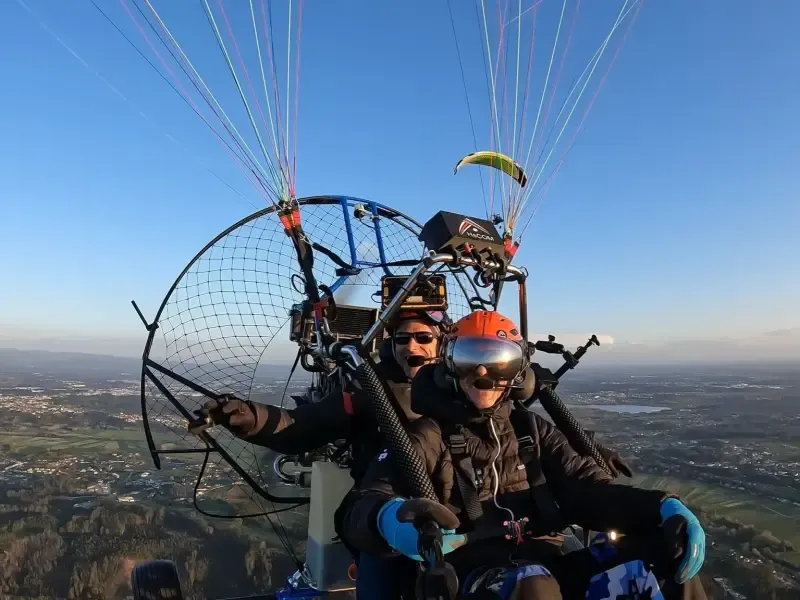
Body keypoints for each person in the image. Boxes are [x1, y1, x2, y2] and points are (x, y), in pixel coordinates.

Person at [335, 310, 708, 600]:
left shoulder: (531, 429)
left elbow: (586, 487)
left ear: (517, 371)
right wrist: (388, 519)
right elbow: (361, 505)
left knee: (668, 556)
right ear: (448, 368)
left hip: (550, 567)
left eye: (499, 361)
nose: (482, 372)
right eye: (468, 359)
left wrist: (661, 506)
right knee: (533, 586)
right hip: (471, 577)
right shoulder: (427, 436)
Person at [193, 308, 447, 599]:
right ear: (392, 344)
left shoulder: (463, 390)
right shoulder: (368, 390)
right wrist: (246, 416)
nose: (412, 346)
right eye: (402, 338)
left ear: (441, 344)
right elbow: (302, 426)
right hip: (383, 522)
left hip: (453, 521)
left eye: (423, 337)